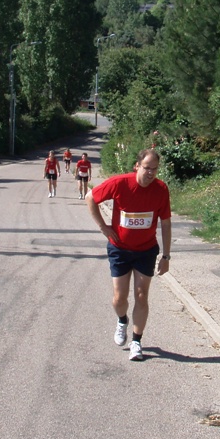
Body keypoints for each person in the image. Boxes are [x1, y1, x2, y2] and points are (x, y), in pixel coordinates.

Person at [86, 149, 171, 361]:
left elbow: (166, 222)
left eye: (154, 169)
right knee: (119, 298)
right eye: (147, 168)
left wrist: (166, 256)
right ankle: (122, 320)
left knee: (142, 296)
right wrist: (103, 227)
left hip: (146, 250)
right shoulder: (120, 183)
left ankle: (136, 342)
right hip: (120, 249)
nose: (150, 173)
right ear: (137, 166)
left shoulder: (161, 189)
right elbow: (90, 197)